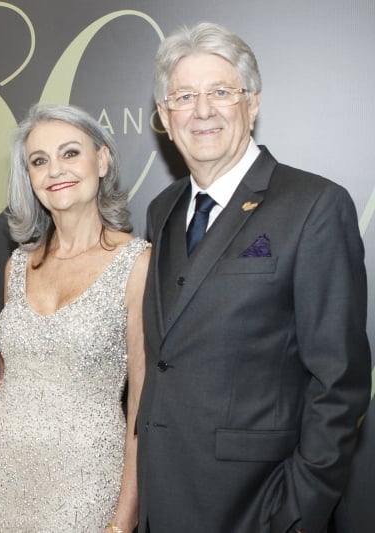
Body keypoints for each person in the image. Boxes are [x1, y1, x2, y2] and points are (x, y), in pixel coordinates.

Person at [137, 22, 371, 533]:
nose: (203, 110)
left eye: (221, 91)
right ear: (164, 116)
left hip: (258, 505)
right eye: (184, 96)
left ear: (253, 103)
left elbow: (339, 381)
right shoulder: (162, 209)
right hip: (164, 497)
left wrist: (297, 510)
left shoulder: (314, 206)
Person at [0, 103, 149, 533]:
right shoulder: (17, 265)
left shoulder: (137, 263)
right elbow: (3, 382)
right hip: (1, 480)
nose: (55, 170)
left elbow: (144, 402)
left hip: (87, 487)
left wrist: (124, 517)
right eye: (39, 161)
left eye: (70, 153)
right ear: (28, 177)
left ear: (101, 160)